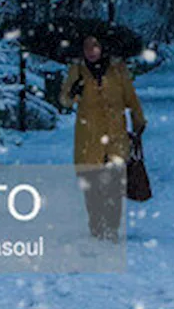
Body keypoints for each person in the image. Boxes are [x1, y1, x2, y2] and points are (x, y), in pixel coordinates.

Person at [59, 35, 146, 240]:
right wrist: (73, 91)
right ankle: (96, 225)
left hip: (115, 135)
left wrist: (139, 121)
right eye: (87, 47)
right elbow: (64, 101)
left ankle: (112, 227)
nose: (91, 51)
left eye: (95, 46)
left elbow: (131, 98)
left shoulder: (118, 70)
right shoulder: (77, 70)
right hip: (89, 136)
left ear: (102, 48)